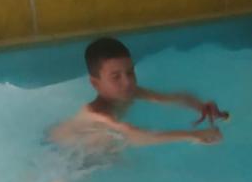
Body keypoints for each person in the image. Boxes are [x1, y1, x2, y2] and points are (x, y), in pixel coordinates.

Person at [47, 37, 228, 152]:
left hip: (95, 145)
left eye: (130, 72)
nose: (127, 82)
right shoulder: (97, 114)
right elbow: (135, 136)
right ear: (95, 83)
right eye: (116, 77)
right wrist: (192, 135)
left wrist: (200, 106)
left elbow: (172, 98)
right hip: (62, 150)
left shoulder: (128, 92)